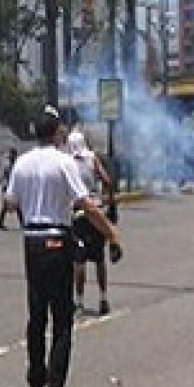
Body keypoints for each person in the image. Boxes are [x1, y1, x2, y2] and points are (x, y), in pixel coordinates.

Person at [4, 106, 124, 387]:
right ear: (57, 133)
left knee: (36, 315)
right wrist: (111, 233)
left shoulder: (23, 164)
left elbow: (10, 204)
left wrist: (30, 221)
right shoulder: (63, 163)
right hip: (58, 239)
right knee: (61, 320)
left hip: (31, 242)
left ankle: (35, 384)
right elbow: (85, 202)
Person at [67, 130, 115, 316]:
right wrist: (109, 204)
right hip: (95, 211)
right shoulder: (92, 159)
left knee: (79, 261)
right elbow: (107, 181)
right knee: (99, 259)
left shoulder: (68, 163)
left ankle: (79, 302)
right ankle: (103, 298)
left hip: (78, 215)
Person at [0, 148, 23, 230]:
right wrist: (4, 186)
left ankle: (22, 223)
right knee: (6, 205)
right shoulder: (7, 165)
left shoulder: (16, 164)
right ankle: (0, 223)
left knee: (18, 205)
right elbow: (2, 176)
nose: (14, 157)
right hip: (8, 187)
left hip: (14, 187)